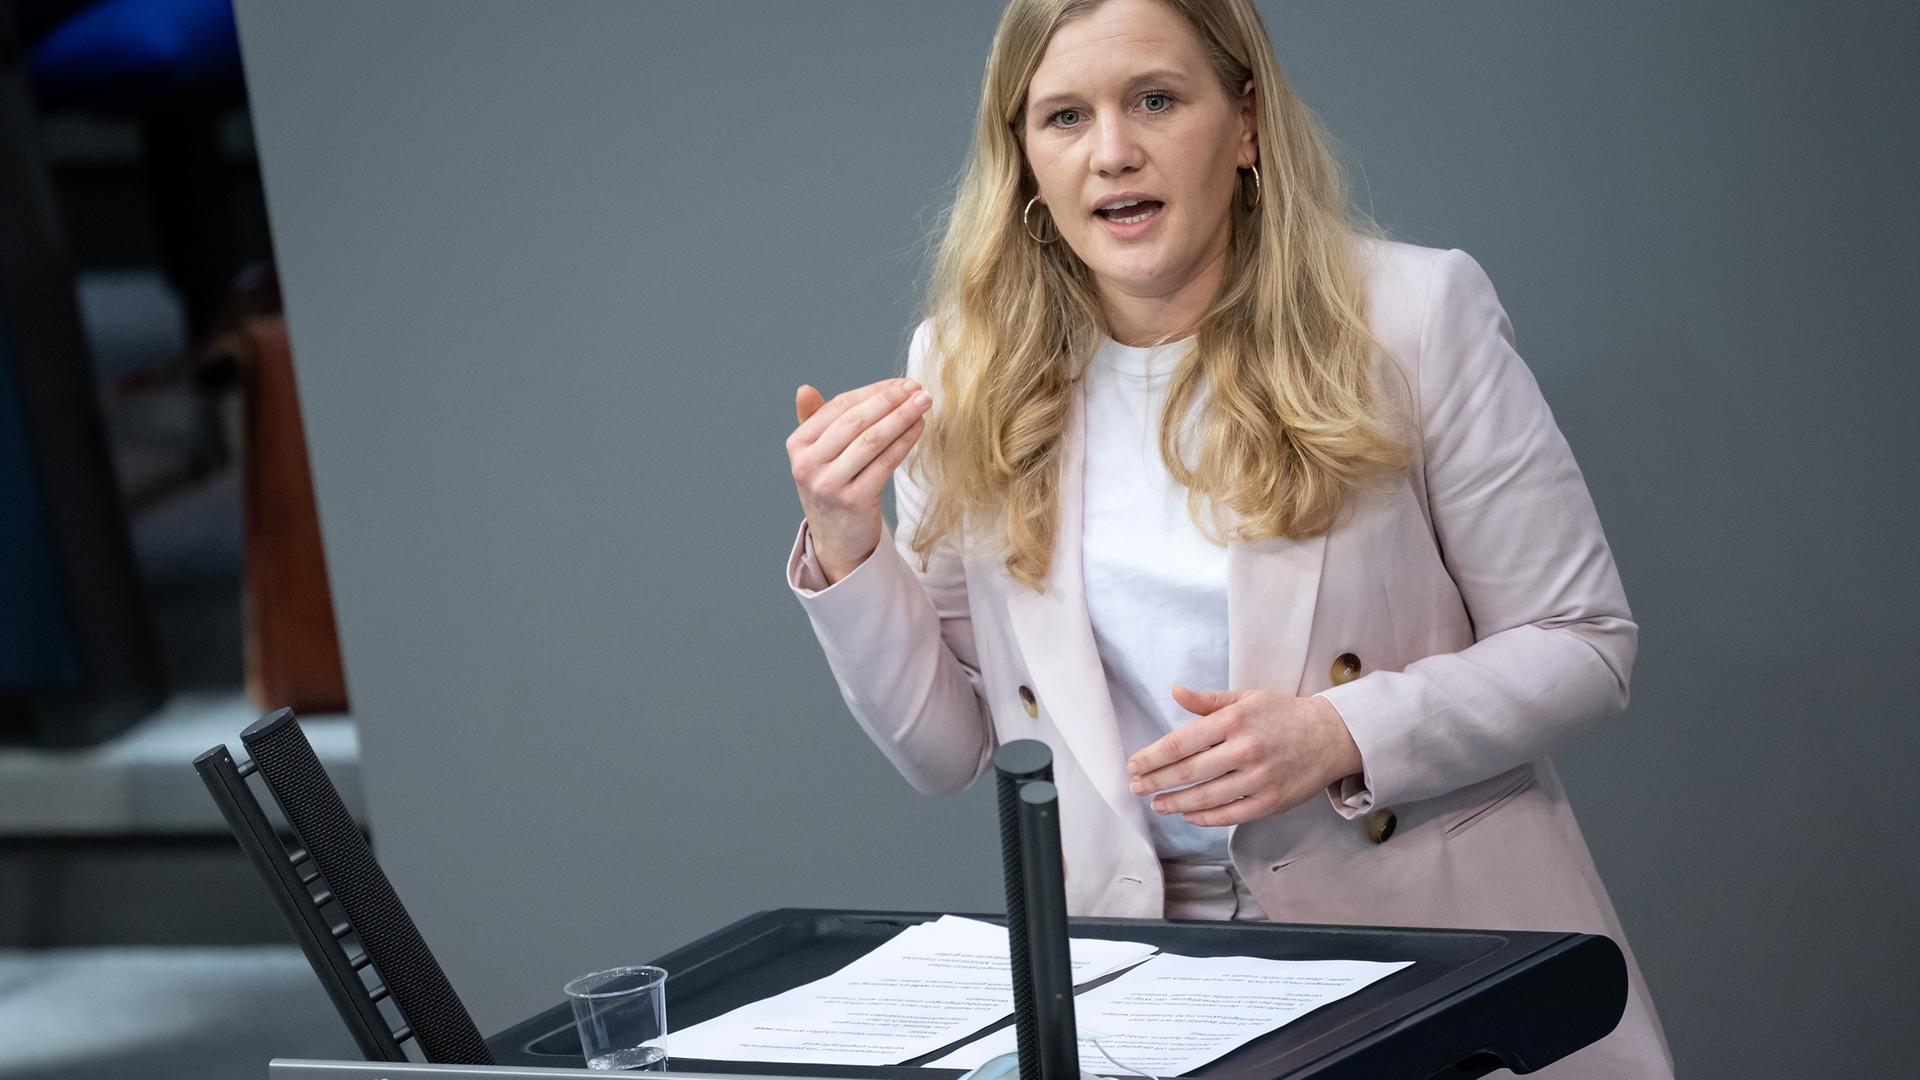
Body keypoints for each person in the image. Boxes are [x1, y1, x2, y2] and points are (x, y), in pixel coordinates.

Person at [782, 1, 1672, 1075]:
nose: (1114, 152)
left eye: (1155, 99)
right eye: (1064, 116)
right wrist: (846, 542)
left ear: (1244, 122)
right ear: (1022, 155)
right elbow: (948, 750)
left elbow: (1584, 642)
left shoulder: (1413, 313)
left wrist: (1340, 734)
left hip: (1433, 962)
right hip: (1144, 985)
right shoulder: (964, 366)